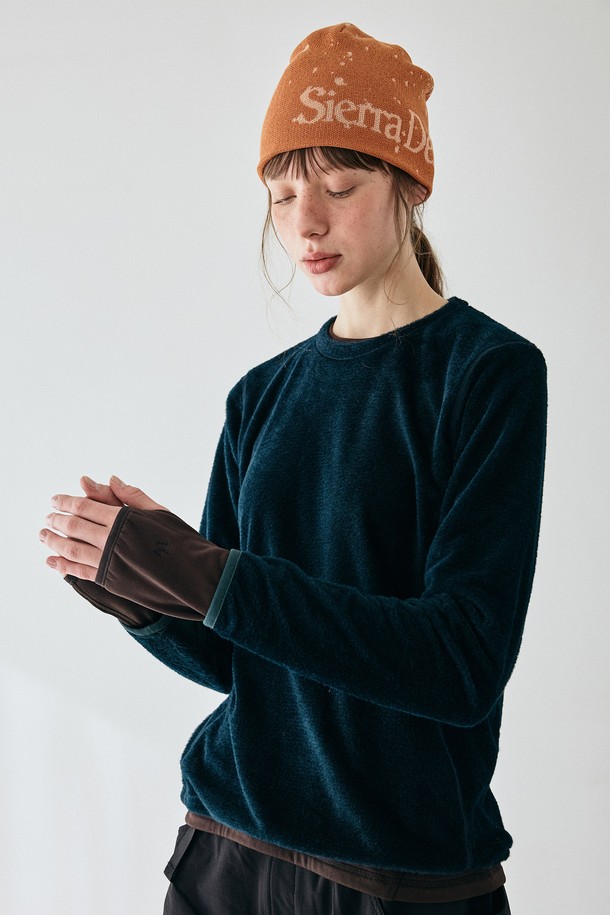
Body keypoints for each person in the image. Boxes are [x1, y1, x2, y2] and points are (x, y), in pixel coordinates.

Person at [39, 23, 547, 914]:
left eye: (338, 188)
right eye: (280, 196)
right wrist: (146, 592)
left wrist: (216, 577)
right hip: (224, 851)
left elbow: (461, 663)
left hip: (395, 877)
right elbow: (242, 662)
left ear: (409, 183)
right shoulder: (261, 396)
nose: (304, 224)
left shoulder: (487, 374)